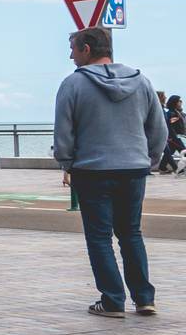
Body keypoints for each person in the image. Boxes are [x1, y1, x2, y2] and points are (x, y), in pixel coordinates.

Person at [54, 27, 166, 318]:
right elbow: (159, 129)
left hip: (92, 170)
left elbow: (63, 131)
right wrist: (149, 160)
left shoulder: (73, 84)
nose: (70, 55)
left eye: (73, 49)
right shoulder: (141, 81)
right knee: (131, 233)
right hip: (134, 168)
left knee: (99, 237)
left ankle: (113, 299)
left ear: (87, 49)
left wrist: (67, 163)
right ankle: (144, 298)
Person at [162, 95, 184, 175]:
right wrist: (173, 137)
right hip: (176, 137)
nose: (180, 103)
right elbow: (171, 127)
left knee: (170, 151)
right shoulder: (172, 114)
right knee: (184, 151)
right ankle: (178, 169)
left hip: (178, 137)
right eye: (178, 101)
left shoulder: (176, 112)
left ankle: (162, 167)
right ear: (174, 102)